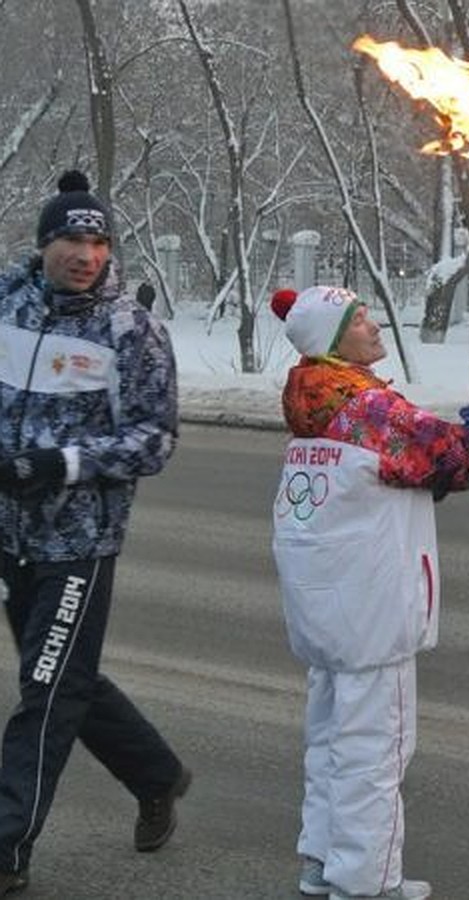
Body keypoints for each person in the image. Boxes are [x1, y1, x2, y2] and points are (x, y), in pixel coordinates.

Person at [269, 285, 469, 900]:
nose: (374, 323)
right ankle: (366, 882)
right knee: (376, 747)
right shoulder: (364, 408)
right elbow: (464, 457)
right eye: (359, 318)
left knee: (332, 735)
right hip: (370, 602)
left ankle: (325, 863)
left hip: (329, 598)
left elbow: (391, 474)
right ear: (334, 341)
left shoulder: (310, 392)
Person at [0, 171, 189, 894]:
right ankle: (157, 773)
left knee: (47, 692)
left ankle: (7, 848)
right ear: (46, 242)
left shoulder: (129, 331)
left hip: (79, 542)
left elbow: (154, 442)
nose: (86, 253)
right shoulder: (9, 305)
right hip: (11, 534)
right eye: (73, 238)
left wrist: (63, 463)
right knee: (60, 679)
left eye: (99, 240)